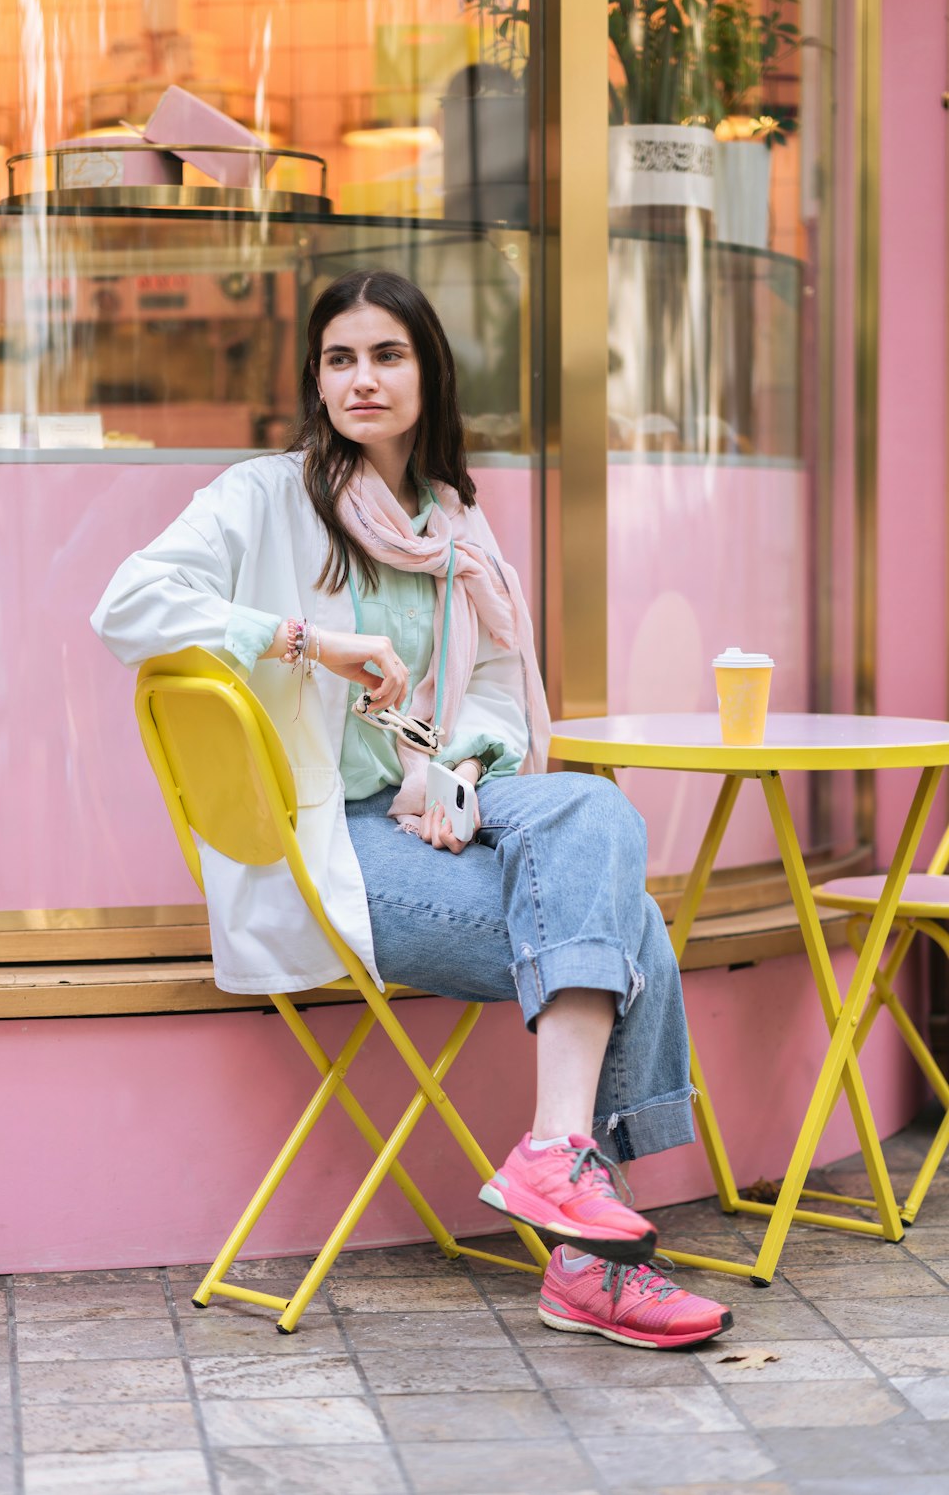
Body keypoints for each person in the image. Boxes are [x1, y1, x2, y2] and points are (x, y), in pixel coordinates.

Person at [92, 269, 732, 1350]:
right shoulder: (265, 495)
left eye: (387, 355)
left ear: (428, 373)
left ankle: (559, 1160)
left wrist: (464, 773)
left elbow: (484, 694)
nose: (363, 379)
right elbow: (128, 603)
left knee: (589, 810)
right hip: (324, 840)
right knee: (627, 925)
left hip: (422, 808)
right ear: (316, 378)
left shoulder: (455, 525)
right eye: (340, 358)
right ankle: (593, 1251)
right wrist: (304, 637)